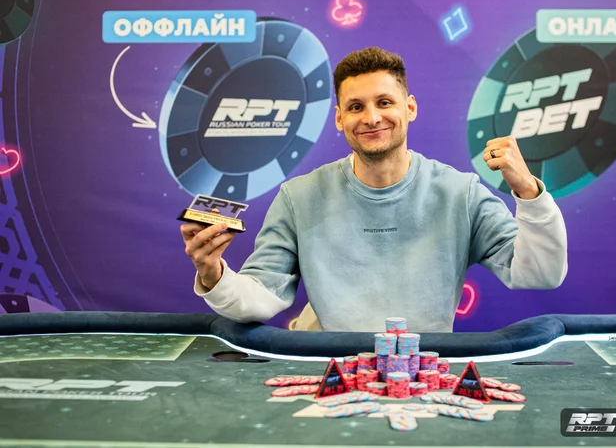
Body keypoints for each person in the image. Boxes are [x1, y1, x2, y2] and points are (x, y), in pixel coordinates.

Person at [181, 47, 567, 332]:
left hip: (424, 377)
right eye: (355, 107)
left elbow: (541, 273)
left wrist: (528, 193)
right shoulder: (298, 197)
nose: (371, 118)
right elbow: (260, 297)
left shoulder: (460, 193)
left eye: (384, 102)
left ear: (410, 108)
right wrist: (214, 274)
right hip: (326, 374)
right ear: (339, 118)